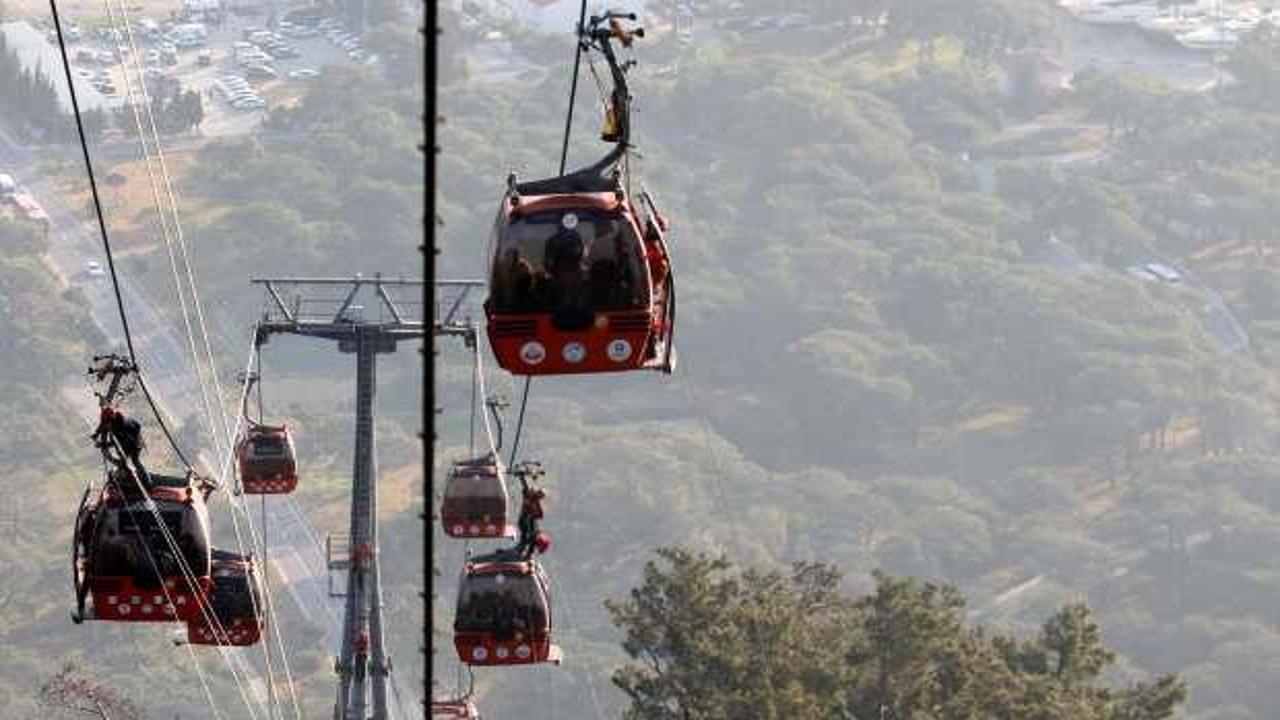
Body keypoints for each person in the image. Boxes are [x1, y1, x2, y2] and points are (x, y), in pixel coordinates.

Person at [93, 405, 148, 487]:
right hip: (129, 436)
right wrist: (96, 433)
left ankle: (146, 480)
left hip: (134, 442)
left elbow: (115, 443)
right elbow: (103, 424)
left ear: (111, 421)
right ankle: (127, 474)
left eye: (108, 423)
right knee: (122, 460)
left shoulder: (121, 428)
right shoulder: (110, 419)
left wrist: (102, 444)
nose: (106, 425)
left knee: (134, 460)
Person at [514, 477, 547, 559]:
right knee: (526, 535)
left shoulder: (535, 501)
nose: (538, 497)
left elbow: (540, 515)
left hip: (529, 521)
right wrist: (522, 478)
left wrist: (533, 516)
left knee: (529, 536)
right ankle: (524, 549)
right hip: (525, 520)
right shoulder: (529, 496)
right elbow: (525, 486)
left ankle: (526, 551)